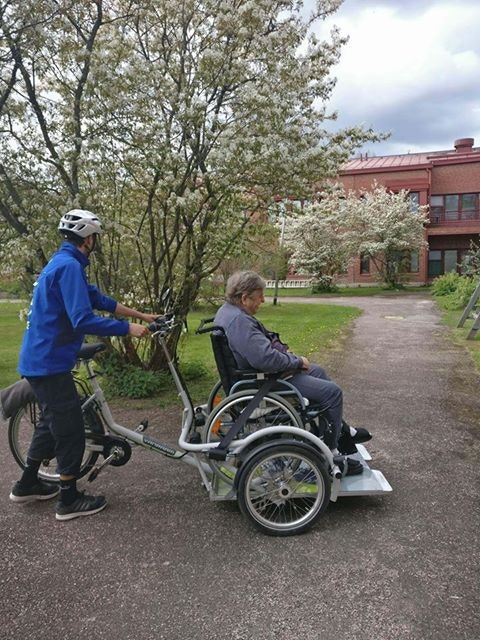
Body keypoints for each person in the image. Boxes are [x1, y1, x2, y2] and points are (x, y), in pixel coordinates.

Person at [9, 209, 158, 520]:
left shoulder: (64, 263)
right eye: (95, 238)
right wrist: (127, 329)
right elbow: (82, 319)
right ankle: (68, 500)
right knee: (70, 430)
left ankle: (27, 484)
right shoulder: (68, 268)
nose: (95, 242)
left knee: (51, 422)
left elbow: (99, 299)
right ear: (88, 238)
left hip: (41, 359)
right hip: (49, 363)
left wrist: (141, 316)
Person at [214, 271, 372, 475]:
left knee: (318, 371)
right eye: (259, 296)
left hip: (257, 376)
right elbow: (265, 359)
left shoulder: (228, 312)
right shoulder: (239, 322)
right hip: (264, 382)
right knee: (332, 393)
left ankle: (342, 433)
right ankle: (329, 456)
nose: (263, 300)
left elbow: (261, 353)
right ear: (244, 298)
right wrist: (296, 362)